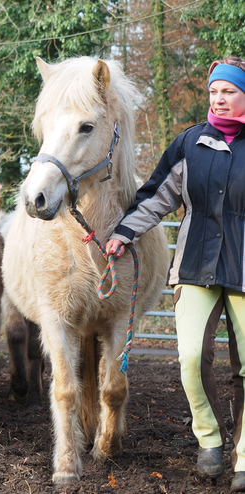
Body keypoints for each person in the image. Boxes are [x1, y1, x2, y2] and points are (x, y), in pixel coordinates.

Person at [105, 57, 245, 492]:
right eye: (213, 92)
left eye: (229, 92)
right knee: (188, 360)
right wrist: (123, 233)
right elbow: (156, 195)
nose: (219, 100)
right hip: (194, 266)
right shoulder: (189, 144)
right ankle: (210, 440)